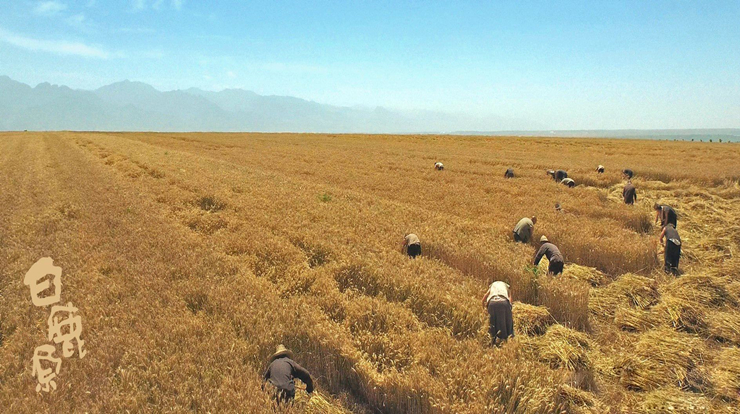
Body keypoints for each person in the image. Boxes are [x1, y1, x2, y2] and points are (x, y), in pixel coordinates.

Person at [481, 281, 513, 345]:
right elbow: (510, 298)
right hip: (503, 302)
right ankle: (506, 341)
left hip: (492, 303)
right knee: (507, 322)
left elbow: (484, 299)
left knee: (492, 323)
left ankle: (492, 342)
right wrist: (509, 309)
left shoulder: (493, 286)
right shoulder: (506, 286)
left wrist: (483, 309)